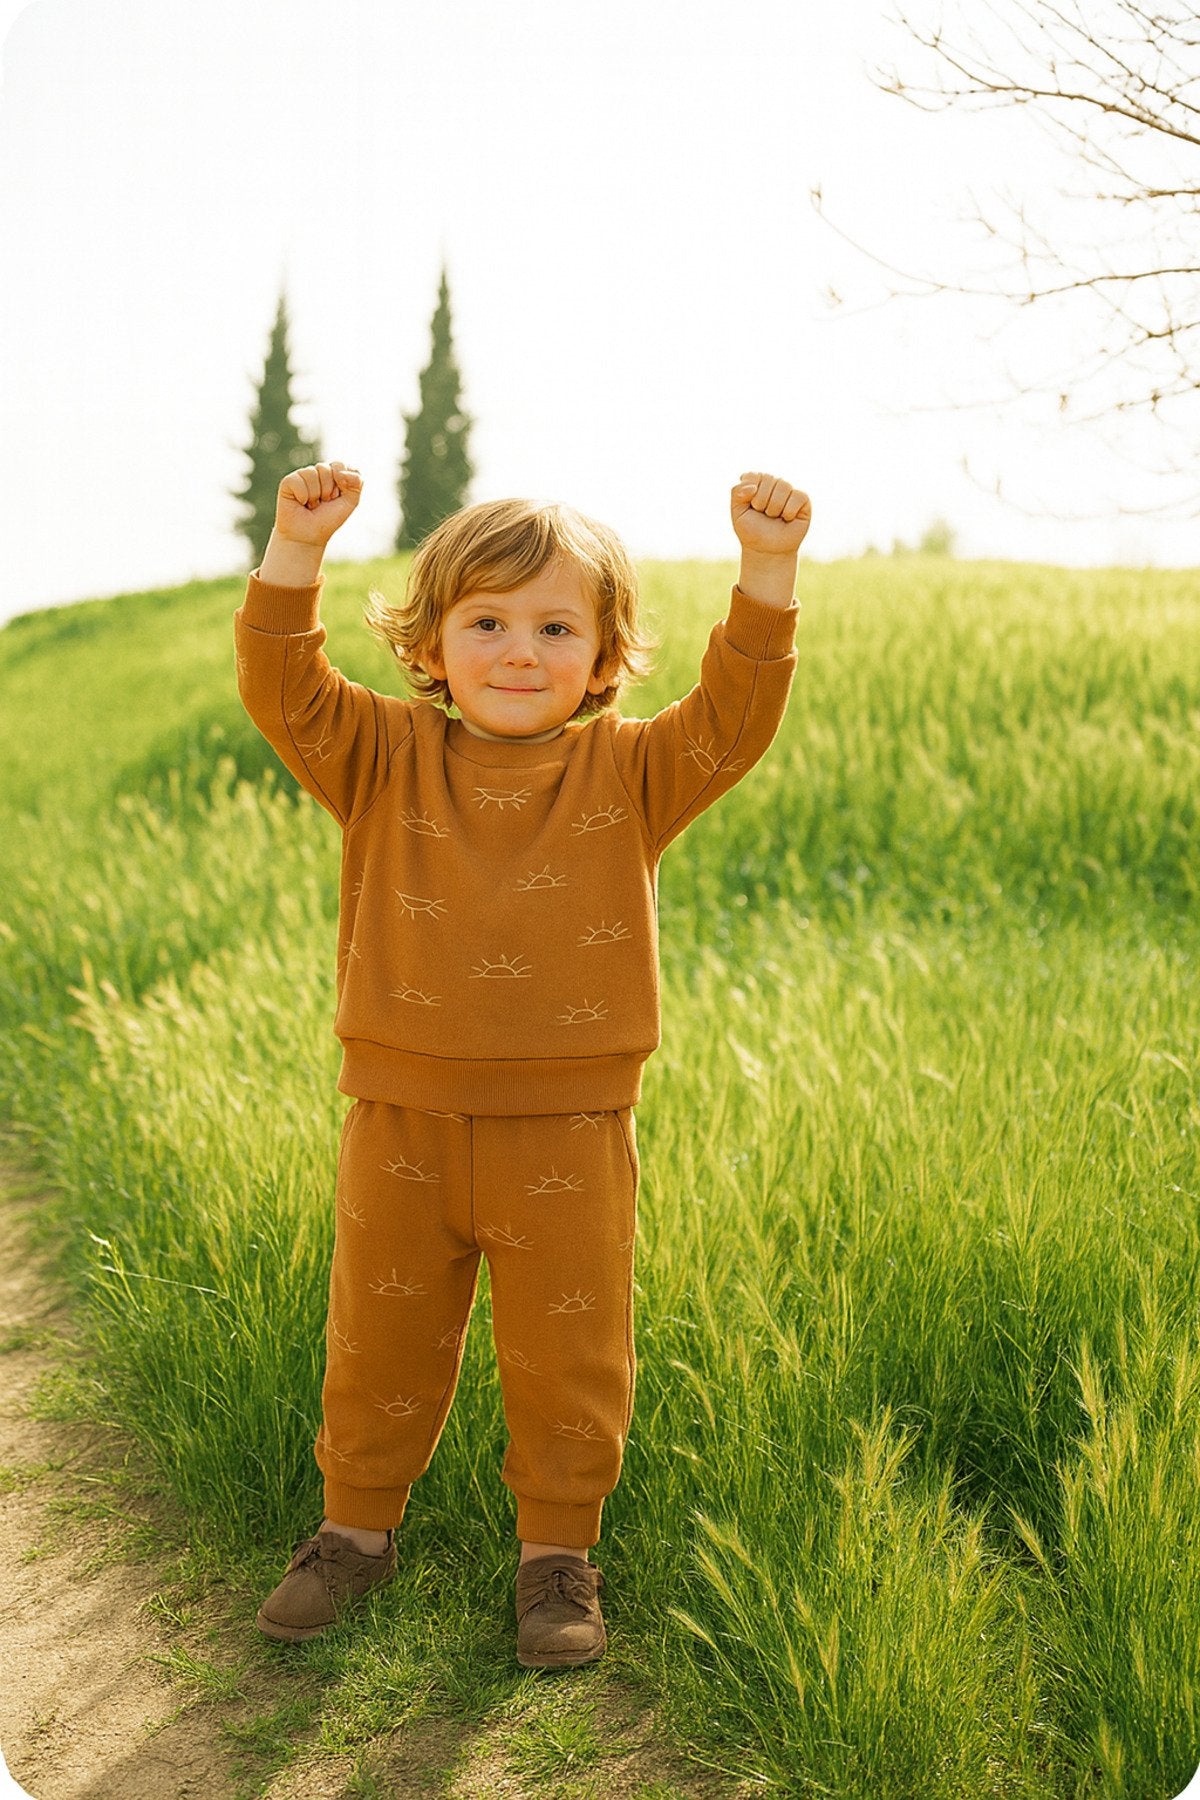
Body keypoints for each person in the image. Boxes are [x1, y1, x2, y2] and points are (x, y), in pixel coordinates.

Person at [236, 459, 811, 1666]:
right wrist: (298, 550)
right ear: (433, 645)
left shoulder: (634, 770)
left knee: (570, 1350)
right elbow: (283, 690)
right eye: (486, 621)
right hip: (400, 1115)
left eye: (556, 627)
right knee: (378, 1339)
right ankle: (355, 1534)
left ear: (603, 659)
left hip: (571, 1126)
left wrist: (766, 576)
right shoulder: (381, 755)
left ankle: (557, 1560)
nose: (517, 650)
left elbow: (736, 721)